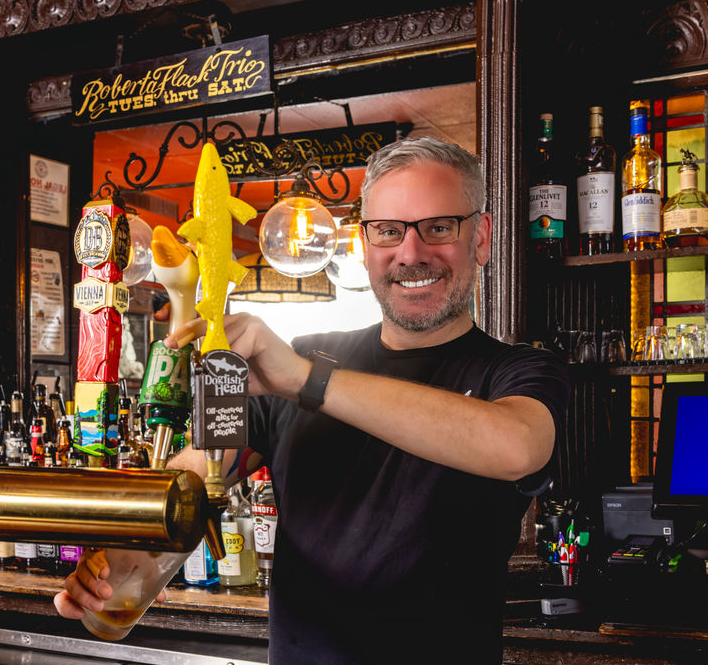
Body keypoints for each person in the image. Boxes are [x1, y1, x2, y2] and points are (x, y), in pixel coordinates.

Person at [55, 137, 570, 663]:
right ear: (366, 245)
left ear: (480, 239)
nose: (411, 253)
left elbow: (518, 447)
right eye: (389, 231)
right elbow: (197, 482)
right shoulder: (300, 362)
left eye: (438, 228)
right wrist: (115, 572)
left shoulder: (518, 372)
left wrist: (304, 379)